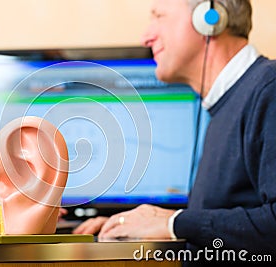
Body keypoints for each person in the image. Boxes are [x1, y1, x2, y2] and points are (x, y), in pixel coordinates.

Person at [74, 0, 276, 264]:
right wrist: (134, 224)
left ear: (210, 18)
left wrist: (174, 223)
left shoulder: (268, 90)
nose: (146, 37)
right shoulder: (227, 103)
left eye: (159, 16)